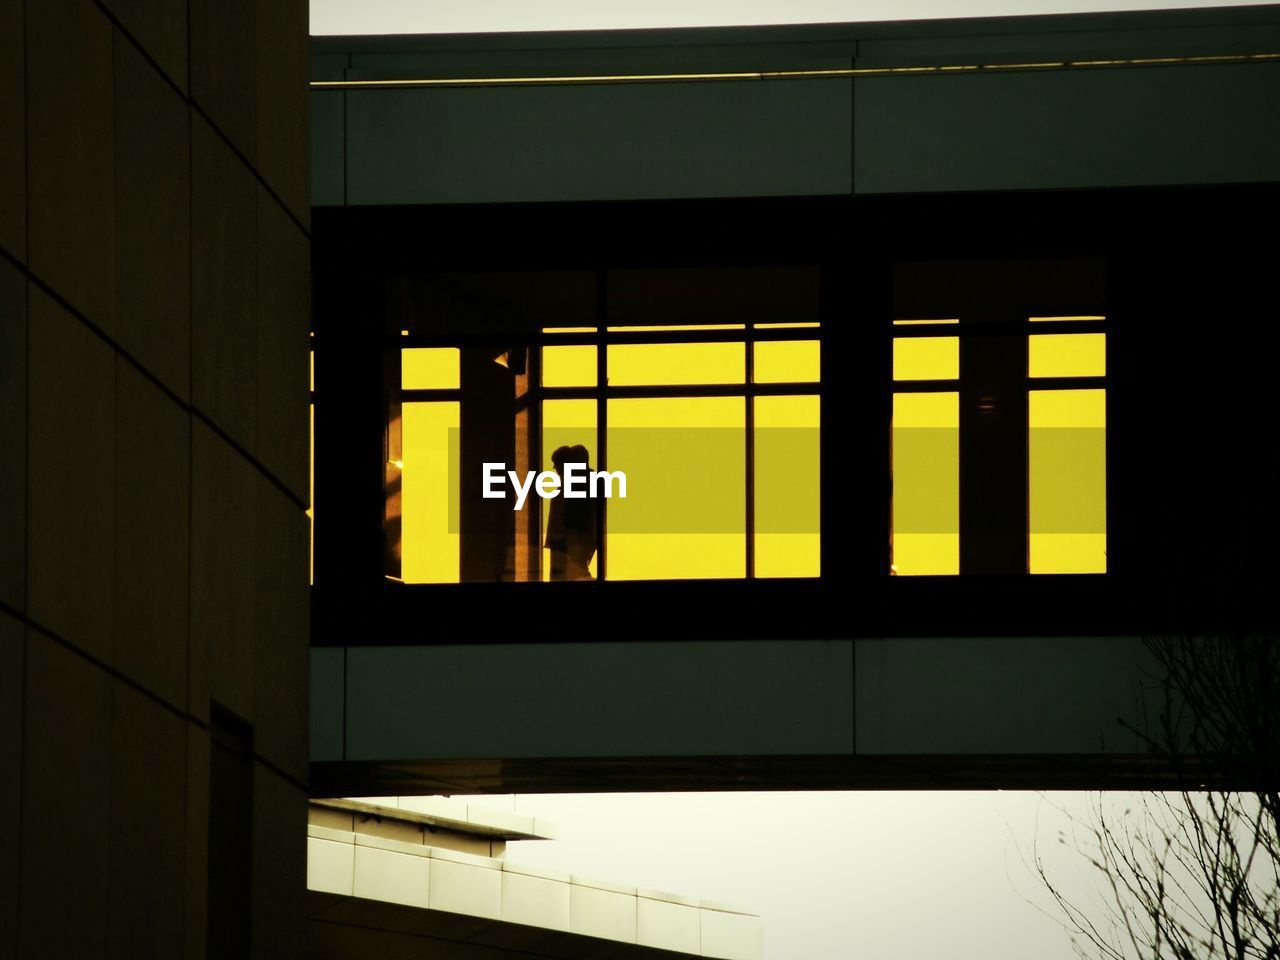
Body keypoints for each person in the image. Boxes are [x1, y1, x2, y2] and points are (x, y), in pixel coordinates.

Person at [545, 444, 597, 580]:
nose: (556, 470)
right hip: (565, 543)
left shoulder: (572, 491)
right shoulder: (570, 490)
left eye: (558, 466)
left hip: (566, 543)